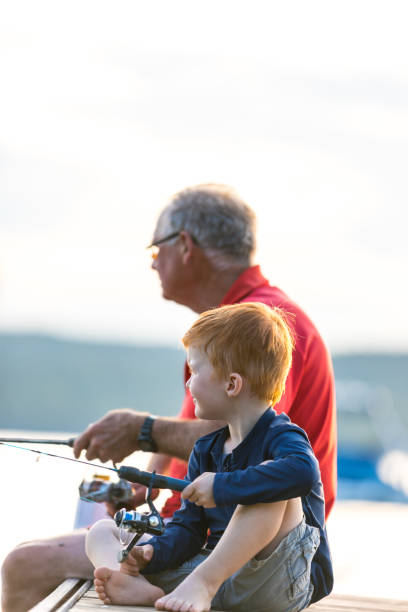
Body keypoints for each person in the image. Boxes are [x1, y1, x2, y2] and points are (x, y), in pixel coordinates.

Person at [1, 184, 336, 612]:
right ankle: (133, 578)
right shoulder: (221, 341)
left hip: (263, 557)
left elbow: (262, 451)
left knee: (24, 562)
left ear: (185, 246)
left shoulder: (266, 329)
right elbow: (218, 439)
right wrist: (151, 501)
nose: (153, 265)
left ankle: (187, 582)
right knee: (96, 536)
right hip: (198, 537)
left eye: (155, 252)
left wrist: (144, 432)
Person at [85, 303, 333, 612]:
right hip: (211, 577)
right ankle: (135, 584)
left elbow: (303, 473)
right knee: (100, 533)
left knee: (271, 490)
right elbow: (188, 529)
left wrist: (221, 487)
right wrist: (152, 552)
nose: (189, 382)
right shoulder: (205, 450)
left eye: (195, 370)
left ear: (232, 384)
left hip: (277, 581)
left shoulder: (281, 436)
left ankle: (202, 584)